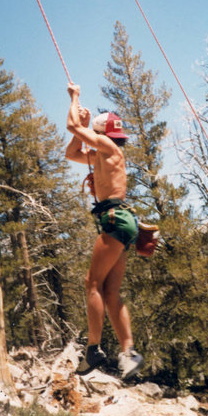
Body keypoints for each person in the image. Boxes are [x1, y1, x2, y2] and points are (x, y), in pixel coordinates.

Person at [65, 83, 144, 381]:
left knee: (92, 283)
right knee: (110, 292)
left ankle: (93, 348)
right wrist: (83, 126)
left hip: (114, 219)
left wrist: (74, 98)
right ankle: (128, 352)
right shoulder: (104, 152)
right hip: (123, 221)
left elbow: (71, 125)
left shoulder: (107, 147)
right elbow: (71, 151)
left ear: (102, 133)